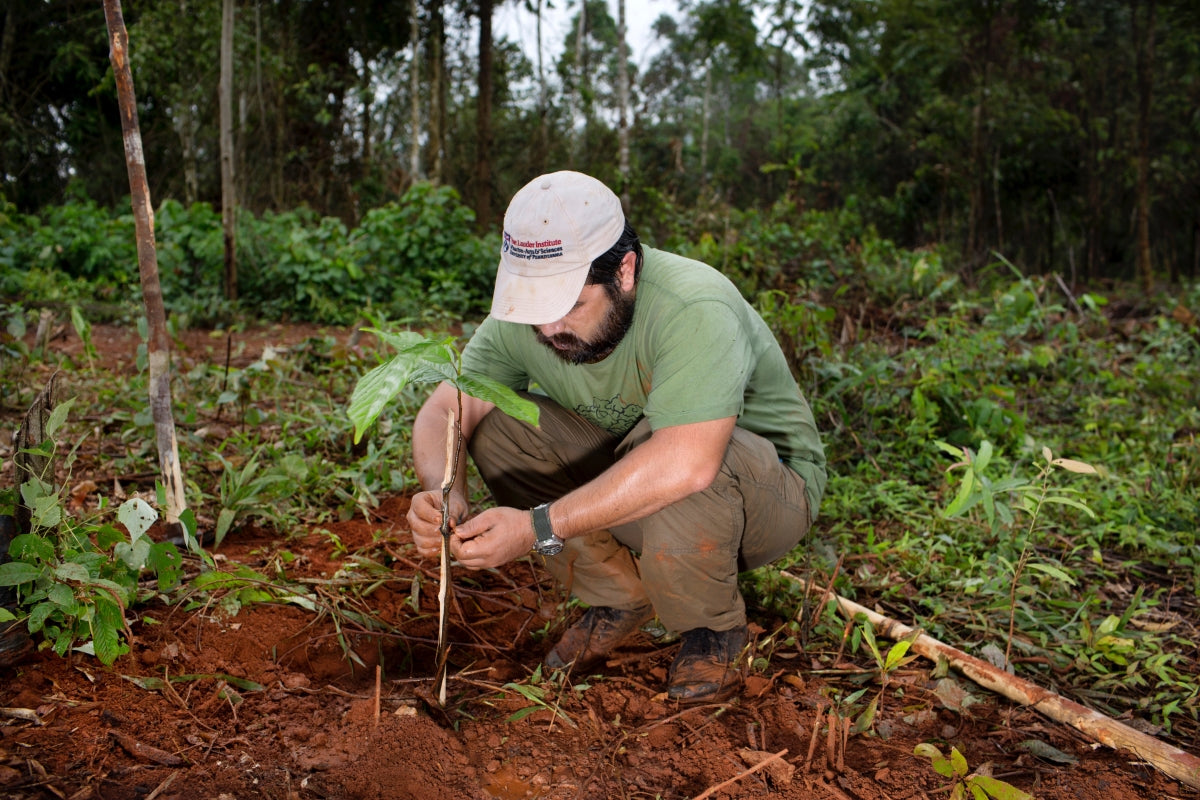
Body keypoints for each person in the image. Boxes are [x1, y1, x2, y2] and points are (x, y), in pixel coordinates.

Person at [406, 171, 826, 703]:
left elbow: (689, 462)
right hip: (636, 477)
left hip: (764, 498)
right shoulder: (534, 318)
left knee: (675, 445)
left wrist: (538, 527)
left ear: (624, 271)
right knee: (497, 426)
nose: (549, 330)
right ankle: (620, 597)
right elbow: (447, 408)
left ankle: (712, 630)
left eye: (571, 306)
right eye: (535, 311)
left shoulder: (693, 306)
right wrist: (442, 491)